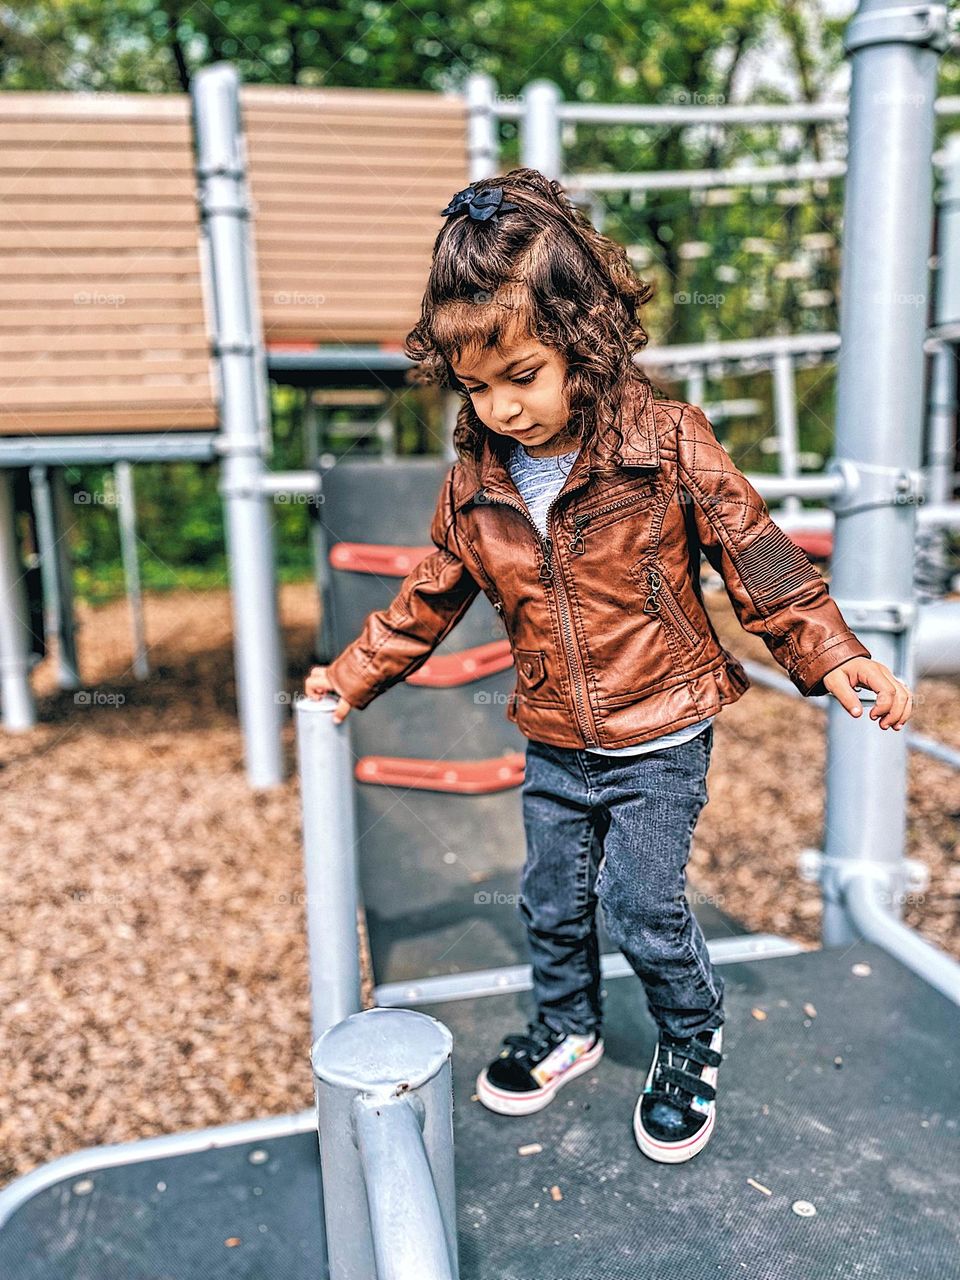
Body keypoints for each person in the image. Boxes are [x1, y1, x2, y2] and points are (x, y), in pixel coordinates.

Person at [304, 169, 914, 1164]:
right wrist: (353, 672)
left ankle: (689, 1033)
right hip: (556, 734)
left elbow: (760, 557)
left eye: (523, 376)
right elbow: (428, 597)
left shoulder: (665, 444)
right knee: (550, 894)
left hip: (661, 728)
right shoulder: (476, 486)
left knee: (640, 898)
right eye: (478, 386)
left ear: (583, 343)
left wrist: (834, 653)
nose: (502, 407)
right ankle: (571, 1025)